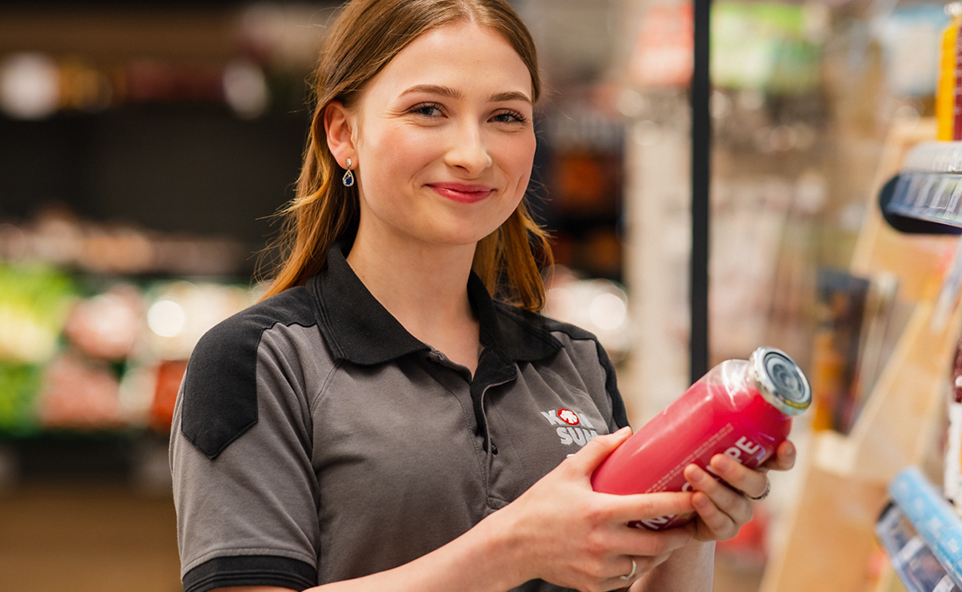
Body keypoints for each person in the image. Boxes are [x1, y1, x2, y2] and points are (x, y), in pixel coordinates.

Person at [168, 1, 796, 591]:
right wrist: (512, 548)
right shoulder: (259, 361)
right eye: (428, 110)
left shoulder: (572, 362)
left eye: (505, 117)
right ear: (343, 134)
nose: (472, 154)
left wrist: (687, 529)